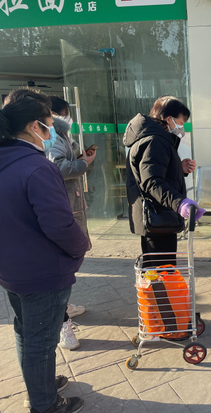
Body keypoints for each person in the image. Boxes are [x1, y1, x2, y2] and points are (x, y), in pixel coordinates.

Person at [0, 88, 88, 413]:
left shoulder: (6, 159)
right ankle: (45, 403)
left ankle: (41, 385)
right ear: (36, 126)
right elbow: (60, 226)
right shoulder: (36, 167)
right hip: (43, 273)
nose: (54, 130)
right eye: (51, 123)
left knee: (25, 333)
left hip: (12, 269)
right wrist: (82, 247)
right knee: (40, 342)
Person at [125, 95, 205, 267]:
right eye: (181, 122)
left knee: (153, 275)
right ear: (169, 119)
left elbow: (153, 172)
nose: (182, 127)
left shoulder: (151, 137)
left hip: (156, 218)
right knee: (163, 276)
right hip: (159, 218)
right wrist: (180, 203)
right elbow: (151, 181)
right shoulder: (155, 140)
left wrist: (178, 168)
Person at [46, 96, 96, 351]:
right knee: (62, 265)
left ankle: (64, 308)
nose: (68, 119)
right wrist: (83, 163)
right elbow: (58, 167)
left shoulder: (60, 135)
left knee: (67, 266)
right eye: (65, 114)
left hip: (70, 204)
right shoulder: (53, 136)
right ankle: (62, 323)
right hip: (63, 207)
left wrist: (81, 159)